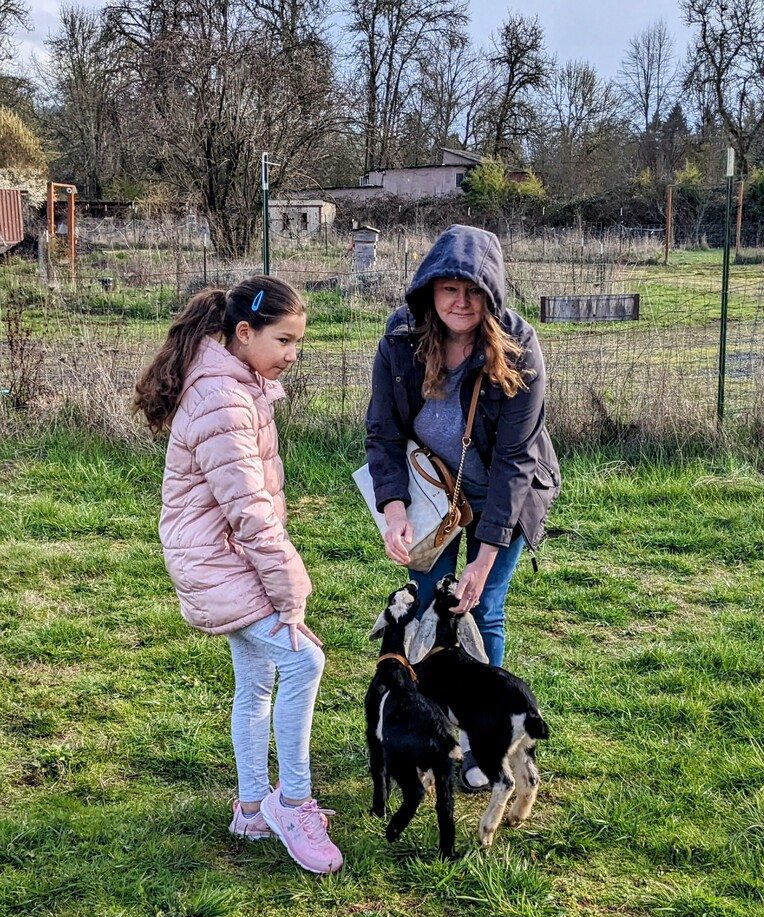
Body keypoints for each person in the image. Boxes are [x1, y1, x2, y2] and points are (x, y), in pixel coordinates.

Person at [133, 276, 342, 875]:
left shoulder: (236, 384)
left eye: (297, 342)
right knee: (304, 660)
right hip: (218, 560)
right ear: (243, 334)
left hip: (222, 556)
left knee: (255, 679)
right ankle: (292, 803)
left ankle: (252, 808)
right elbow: (248, 510)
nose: (292, 355)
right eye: (285, 340)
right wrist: (292, 592)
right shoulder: (224, 398)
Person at [365, 224, 561, 791]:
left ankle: (484, 738)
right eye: (449, 288)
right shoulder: (401, 338)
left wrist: (483, 557)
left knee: (483, 607)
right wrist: (394, 508)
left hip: (504, 492)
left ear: (492, 295)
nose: (460, 302)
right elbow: (382, 432)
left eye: (474, 291)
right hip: (432, 494)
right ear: (428, 289)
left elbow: (517, 460)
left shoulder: (519, 348)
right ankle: (430, 730)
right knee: (428, 606)